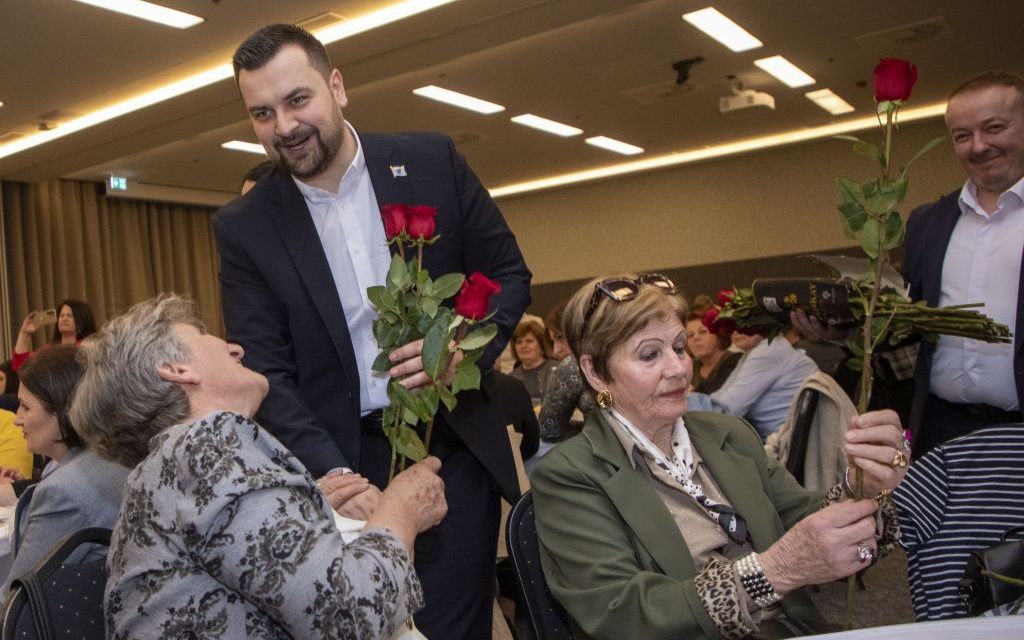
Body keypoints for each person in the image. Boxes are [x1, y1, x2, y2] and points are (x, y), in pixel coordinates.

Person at [212, 24, 531, 637]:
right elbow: (268, 368)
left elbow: (509, 275)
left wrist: (459, 347)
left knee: (450, 623)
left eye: (297, 100)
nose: (284, 126)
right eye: (261, 113)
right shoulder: (244, 227)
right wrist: (333, 473)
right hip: (340, 463)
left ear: (337, 86)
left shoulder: (433, 161)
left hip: (448, 440)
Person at [532, 273, 908, 639]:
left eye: (679, 347)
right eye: (650, 355)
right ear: (596, 373)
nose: (679, 368)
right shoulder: (570, 475)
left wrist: (862, 487)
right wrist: (773, 571)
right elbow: (620, 613)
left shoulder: (726, 434)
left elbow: (802, 519)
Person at [70, 294, 447, 639]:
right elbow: (350, 617)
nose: (235, 348)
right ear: (176, 370)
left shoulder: (176, 465)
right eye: (205, 337)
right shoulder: (209, 445)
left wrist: (304, 507)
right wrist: (401, 510)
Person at [794, 70, 1024, 457]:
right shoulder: (928, 223)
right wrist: (846, 335)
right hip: (942, 432)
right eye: (962, 136)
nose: (979, 146)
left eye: (994, 128)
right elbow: (909, 330)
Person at [2, 346, 129, 596]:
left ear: (63, 413)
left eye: (25, 407)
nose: (17, 418)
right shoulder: (113, 457)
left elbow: (16, 601)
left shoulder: (64, 492)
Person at [710, 329, 818, 440]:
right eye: (731, 325)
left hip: (782, 447)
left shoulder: (770, 349)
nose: (736, 331)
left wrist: (693, 407)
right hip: (780, 441)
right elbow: (721, 400)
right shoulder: (758, 351)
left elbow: (727, 409)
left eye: (746, 323)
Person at [10, 299, 96, 372]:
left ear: (82, 318)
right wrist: (24, 333)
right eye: (62, 315)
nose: (64, 319)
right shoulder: (49, 349)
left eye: (70, 316)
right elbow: (21, 367)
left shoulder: (90, 348)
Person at [686, 308, 741, 394]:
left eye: (703, 332)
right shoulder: (690, 371)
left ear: (719, 335)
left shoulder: (736, 362)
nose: (696, 338)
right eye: (690, 335)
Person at [510, 319, 557, 404]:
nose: (523, 346)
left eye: (529, 341)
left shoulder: (557, 369)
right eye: (519, 342)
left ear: (541, 345)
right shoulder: (510, 379)